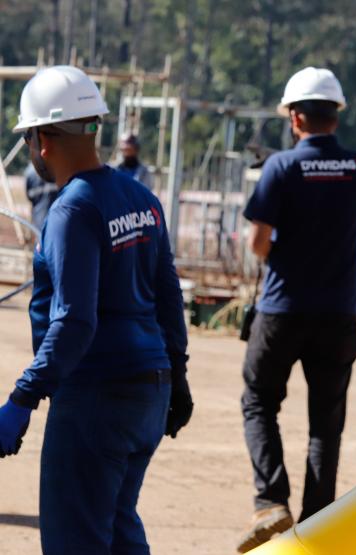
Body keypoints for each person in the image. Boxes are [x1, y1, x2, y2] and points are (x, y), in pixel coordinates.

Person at [0, 65, 192, 553]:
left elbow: (75, 321)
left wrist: (23, 398)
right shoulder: (142, 198)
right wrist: (178, 379)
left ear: (43, 138)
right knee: (120, 534)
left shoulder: (72, 210)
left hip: (95, 399)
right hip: (148, 393)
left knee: (76, 541)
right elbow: (168, 296)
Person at [237, 66, 356, 553]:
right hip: (338, 313)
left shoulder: (279, 167)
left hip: (283, 309)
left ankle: (272, 501)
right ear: (335, 115)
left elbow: (258, 242)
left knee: (258, 400)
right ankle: (319, 524)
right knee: (326, 421)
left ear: (295, 117)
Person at [23, 162, 58, 229]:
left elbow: (29, 196)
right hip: (55, 219)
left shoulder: (29, 171)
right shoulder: (57, 168)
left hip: (39, 218)